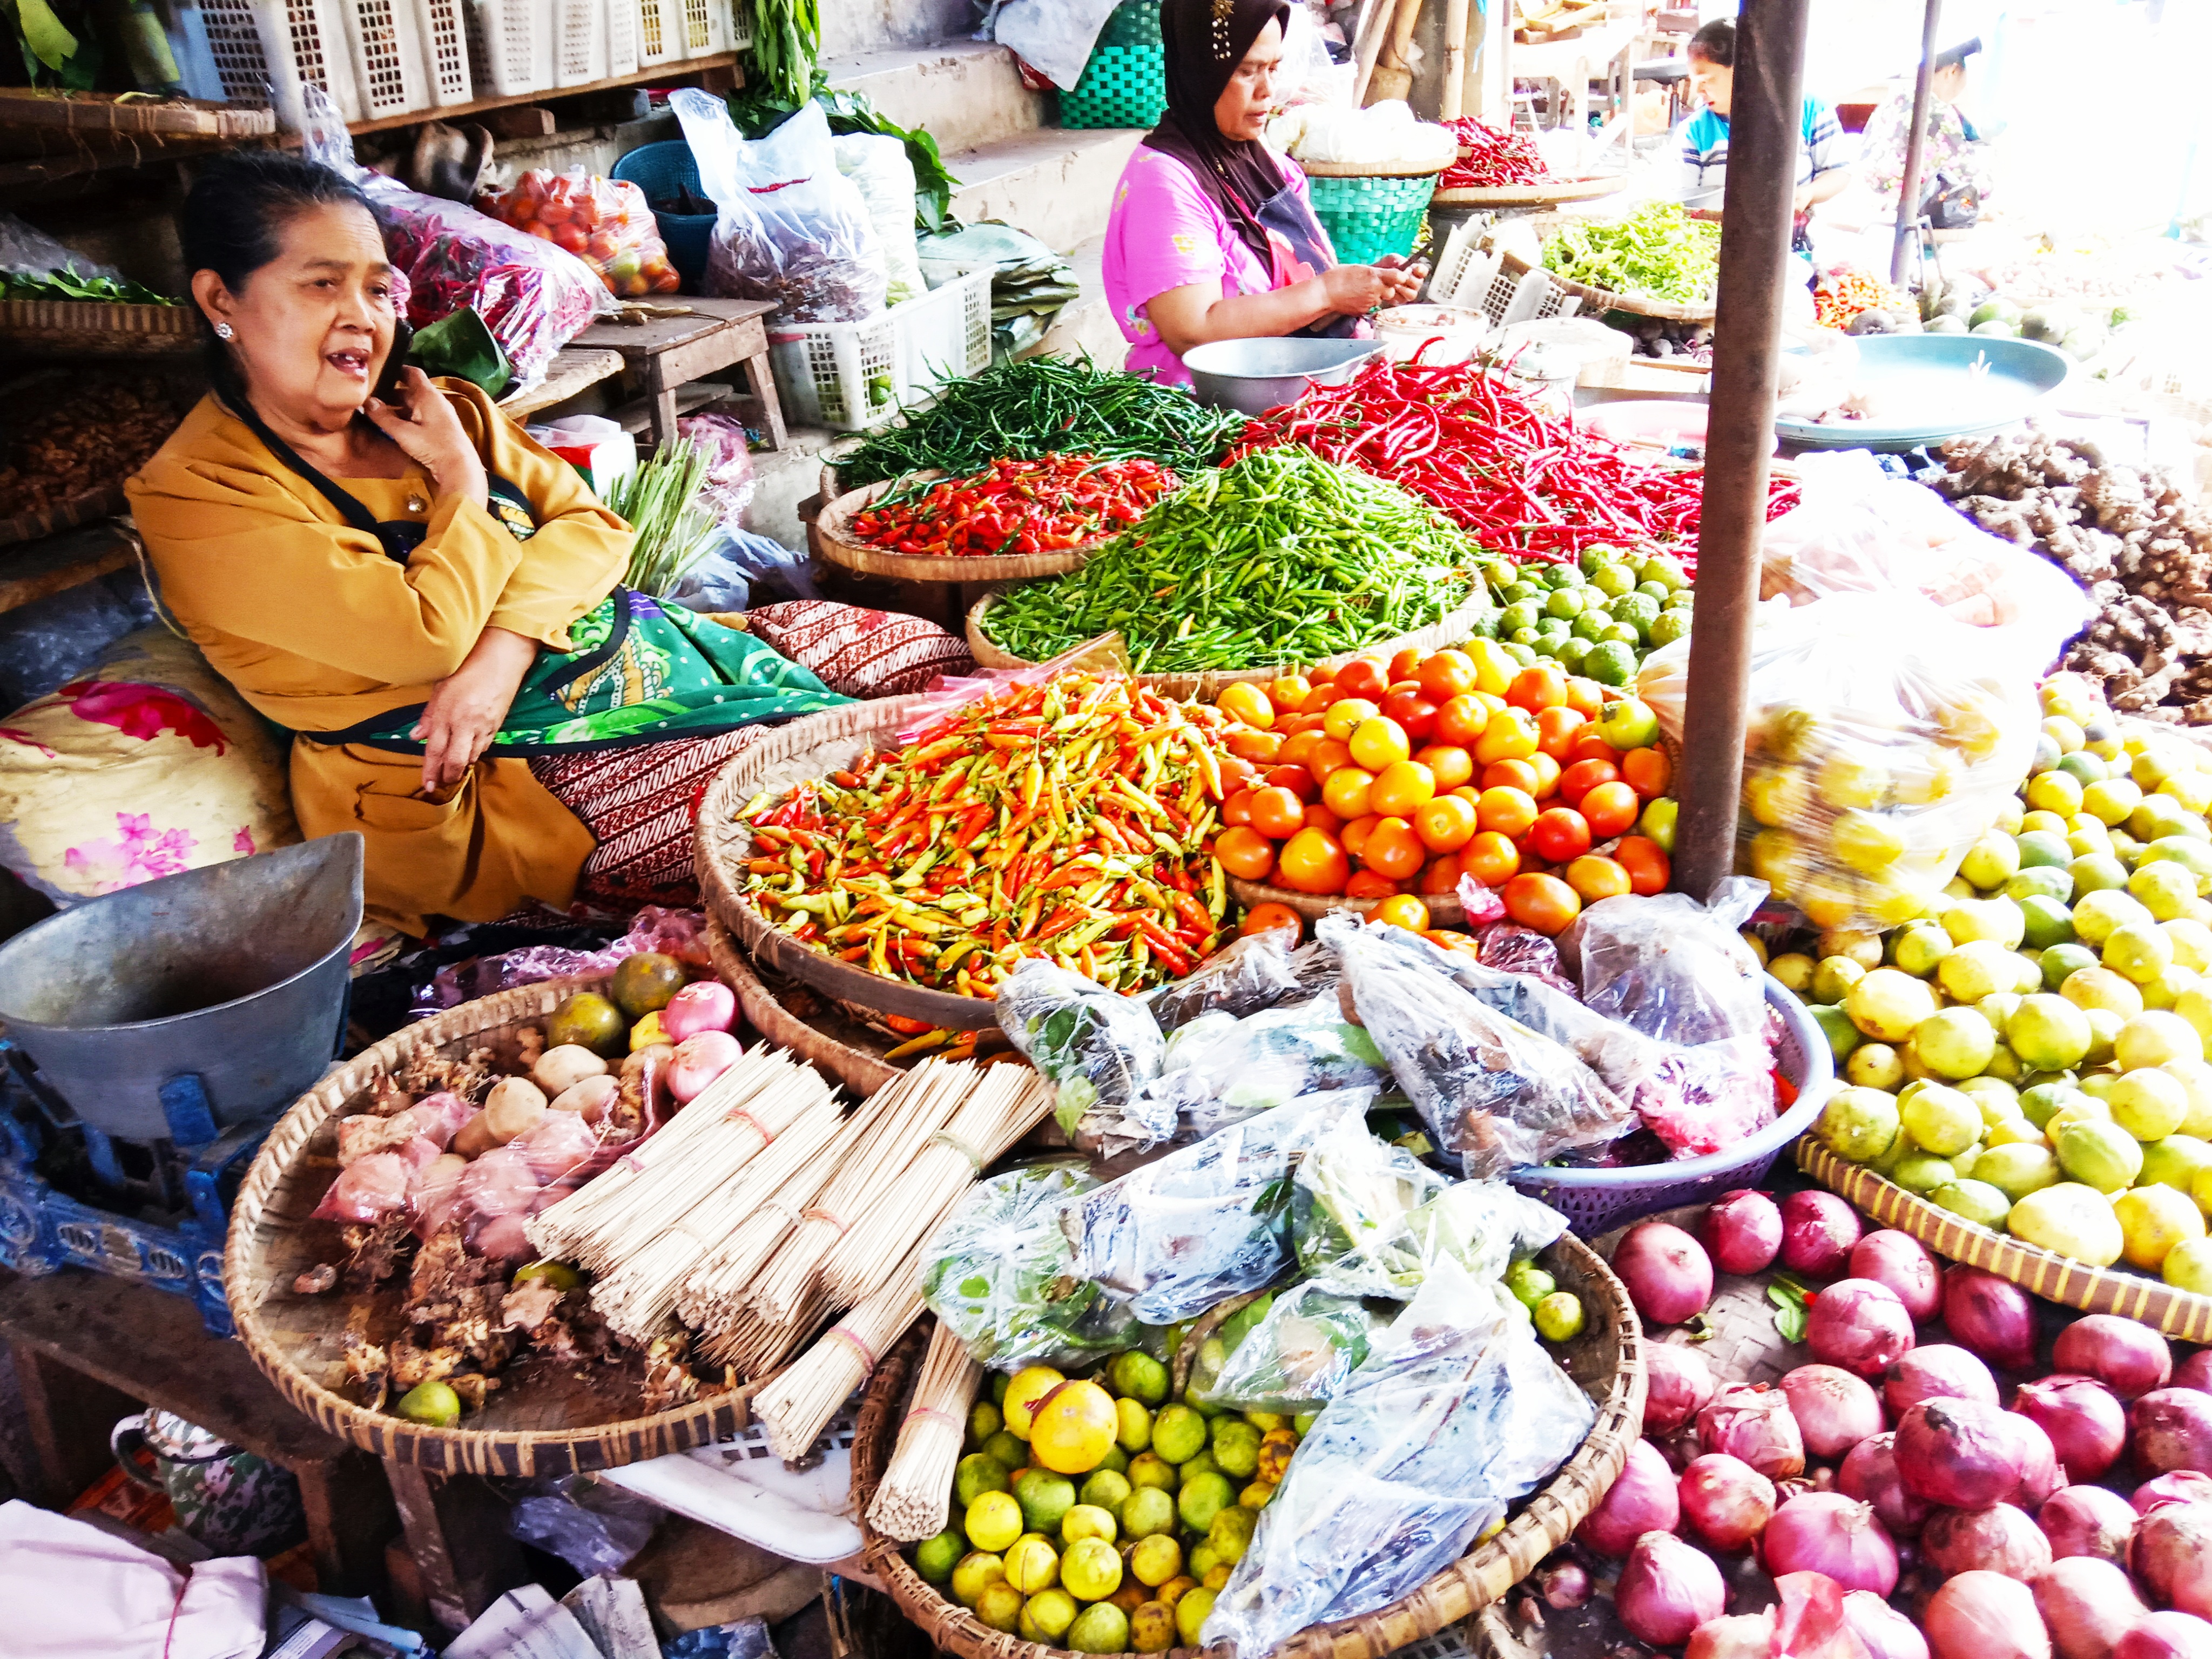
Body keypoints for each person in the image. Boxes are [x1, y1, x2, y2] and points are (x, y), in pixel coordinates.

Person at [126, 152, 845, 938]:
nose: (364, 317)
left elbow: (594, 529)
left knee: (916, 661)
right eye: (321, 284)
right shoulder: (200, 495)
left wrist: (503, 650)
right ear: (219, 298)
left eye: (375, 287)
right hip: (485, 788)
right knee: (831, 805)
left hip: (619, 658)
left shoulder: (435, 410)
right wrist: (465, 488)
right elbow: (422, 637)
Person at [1100, 0, 1422, 386]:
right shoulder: (1164, 181)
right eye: (1246, 71)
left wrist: (1364, 284)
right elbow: (1192, 331)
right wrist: (1326, 292)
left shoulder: (1265, 161)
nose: (1268, 90)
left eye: (1273, 68)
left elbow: (1291, 287)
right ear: (1202, 72)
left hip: (1292, 384)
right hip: (1216, 410)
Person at [1676, 17, 1854, 225]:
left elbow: (1839, 171)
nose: (1699, 91)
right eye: (1695, 82)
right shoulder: (1694, 131)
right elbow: (1682, 201)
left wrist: (1809, 193)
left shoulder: (1809, 110)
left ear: (1743, 71)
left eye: (1706, 81)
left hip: (1792, 241)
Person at [1858, 38, 1994, 221]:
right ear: (1952, 71)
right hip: (1916, 219)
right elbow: (1975, 183)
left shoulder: (1891, 103)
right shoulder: (1937, 110)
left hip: (1876, 211)